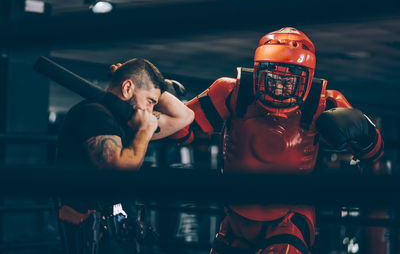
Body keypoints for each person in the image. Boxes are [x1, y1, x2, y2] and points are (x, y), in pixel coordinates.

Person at [170, 27, 384, 253]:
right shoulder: (233, 92)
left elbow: (374, 153)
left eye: (289, 81)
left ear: (306, 79)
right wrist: (166, 102)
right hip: (235, 215)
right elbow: (182, 131)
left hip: (290, 216)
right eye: (273, 78)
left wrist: (362, 130)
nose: (280, 87)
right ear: (259, 72)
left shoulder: (323, 102)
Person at [56, 57, 194, 254]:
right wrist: (145, 131)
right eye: (150, 101)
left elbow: (185, 116)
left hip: (119, 231)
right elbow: (117, 172)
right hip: (93, 237)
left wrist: (148, 86)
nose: (150, 110)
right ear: (127, 88)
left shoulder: (128, 120)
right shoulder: (94, 114)